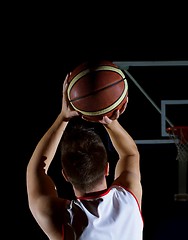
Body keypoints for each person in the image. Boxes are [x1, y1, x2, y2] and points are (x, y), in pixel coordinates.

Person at [26, 73, 143, 239]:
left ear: (65, 175)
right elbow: (130, 153)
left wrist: (63, 117)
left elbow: (35, 170)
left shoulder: (63, 220)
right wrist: (109, 119)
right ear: (107, 168)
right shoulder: (129, 199)